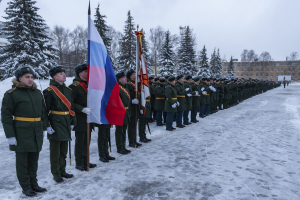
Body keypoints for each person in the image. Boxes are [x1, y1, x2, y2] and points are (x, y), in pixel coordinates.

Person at [1, 65, 48, 196]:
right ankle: (26, 186)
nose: (30, 79)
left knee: (33, 160)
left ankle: (34, 184)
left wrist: (44, 127)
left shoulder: (37, 93)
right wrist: (10, 135)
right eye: (27, 77)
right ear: (20, 78)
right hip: (21, 132)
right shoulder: (12, 94)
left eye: (32, 77)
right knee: (22, 162)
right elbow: (6, 116)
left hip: (36, 131)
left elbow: (43, 112)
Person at [43, 66, 77, 183]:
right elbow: (44, 111)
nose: (64, 75)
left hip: (66, 121)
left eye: (64, 73)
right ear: (54, 77)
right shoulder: (49, 91)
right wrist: (47, 125)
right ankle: (56, 173)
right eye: (61, 73)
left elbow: (71, 107)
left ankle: (62, 170)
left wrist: (73, 122)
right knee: (55, 151)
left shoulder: (68, 91)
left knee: (63, 150)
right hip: (55, 122)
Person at [69, 64, 96, 171]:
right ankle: (79, 162)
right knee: (80, 141)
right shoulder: (74, 86)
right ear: (79, 73)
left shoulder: (89, 85)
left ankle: (86, 160)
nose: (87, 73)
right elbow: (71, 102)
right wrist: (81, 108)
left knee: (87, 141)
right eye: (85, 71)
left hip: (89, 116)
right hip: (80, 118)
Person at [115, 72, 131, 155]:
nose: (126, 79)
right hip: (120, 112)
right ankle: (119, 147)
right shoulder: (117, 88)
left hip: (126, 111)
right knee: (119, 131)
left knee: (124, 130)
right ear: (119, 79)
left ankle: (123, 146)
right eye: (124, 77)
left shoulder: (124, 87)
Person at [126, 69, 142, 148]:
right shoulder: (128, 84)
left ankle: (134, 139)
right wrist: (132, 100)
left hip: (136, 106)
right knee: (131, 125)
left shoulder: (134, 83)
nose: (135, 75)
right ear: (130, 75)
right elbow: (127, 94)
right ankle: (131, 141)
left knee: (135, 124)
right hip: (131, 106)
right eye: (133, 74)